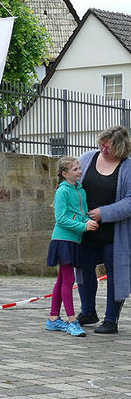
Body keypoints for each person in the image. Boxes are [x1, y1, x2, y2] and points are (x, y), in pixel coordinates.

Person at [76, 125, 131, 335]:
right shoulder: (88, 157)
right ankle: (88, 311)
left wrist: (103, 213)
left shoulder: (127, 167)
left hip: (115, 233)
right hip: (86, 230)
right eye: (101, 144)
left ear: (121, 148)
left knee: (117, 274)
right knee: (82, 269)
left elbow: (130, 201)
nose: (103, 149)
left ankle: (111, 320)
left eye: (108, 147)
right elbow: (72, 184)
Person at [46, 157, 98, 337]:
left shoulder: (80, 190)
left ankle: (53, 319)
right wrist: (84, 226)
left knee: (62, 280)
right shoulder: (62, 191)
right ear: (65, 173)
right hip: (63, 241)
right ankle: (72, 321)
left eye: (79, 168)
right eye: (75, 169)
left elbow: (80, 214)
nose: (80, 172)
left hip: (75, 241)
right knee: (68, 281)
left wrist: (88, 221)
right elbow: (61, 218)